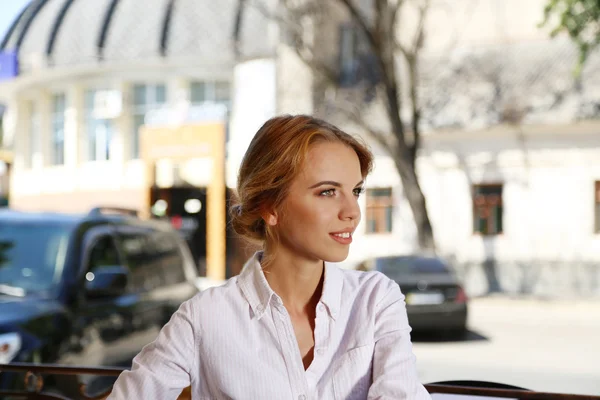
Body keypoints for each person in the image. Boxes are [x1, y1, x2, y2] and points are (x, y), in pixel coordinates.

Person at [107, 115, 431, 399]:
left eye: (356, 191)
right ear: (270, 207)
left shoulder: (376, 299)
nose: (352, 212)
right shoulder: (204, 318)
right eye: (328, 192)